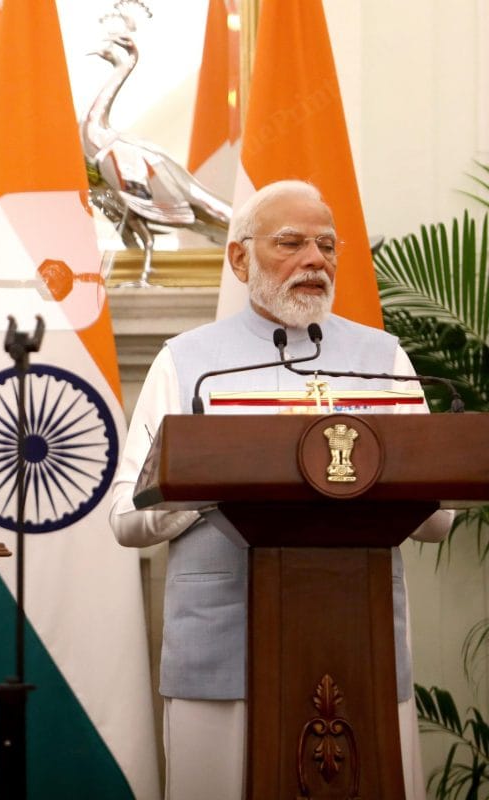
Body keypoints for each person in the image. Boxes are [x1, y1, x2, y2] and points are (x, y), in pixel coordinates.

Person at [108, 180, 451, 800]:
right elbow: (129, 521)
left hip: (359, 645)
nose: (313, 260)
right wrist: (218, 479)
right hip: (223, 648)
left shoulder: (385, 358)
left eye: (326, 245)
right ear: (240, 259)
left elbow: (438, 519)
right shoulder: (187, 361)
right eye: (290, 243)